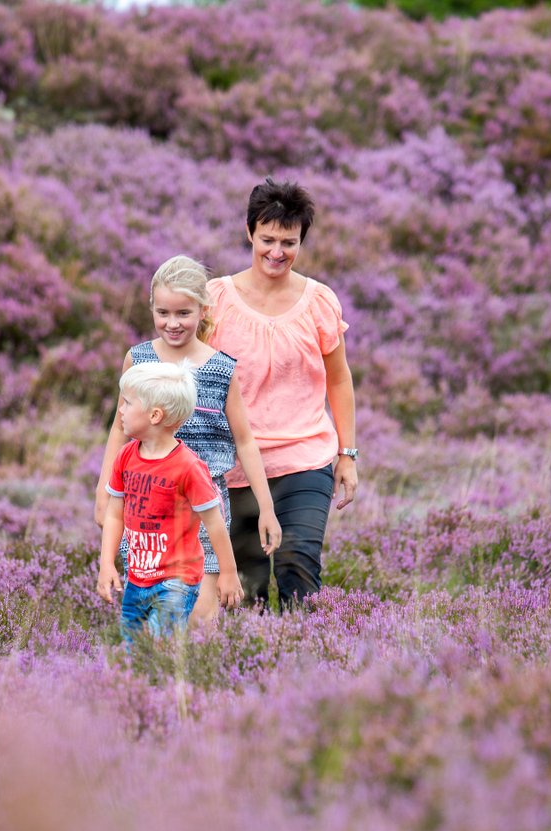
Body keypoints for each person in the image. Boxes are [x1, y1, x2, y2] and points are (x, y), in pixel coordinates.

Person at [95, 255, 281, 626]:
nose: (172, 323)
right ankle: (153, 680)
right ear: (151, 308)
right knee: (150, 614)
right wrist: (104, 491)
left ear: (202, 309)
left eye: (183, 313)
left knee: (198, 616)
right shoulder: (139, 360)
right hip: (146, 506)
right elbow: (119, 427)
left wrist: (266, 507)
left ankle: (195, 680)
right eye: (163, 312)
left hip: (203, 508)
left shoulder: (220, 369)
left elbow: (244, 441)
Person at [206, 178, 358, 609]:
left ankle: (306, 662)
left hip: (304, 459)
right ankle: (247, 666)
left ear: (301, 241)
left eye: (288, 242)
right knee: (244, 584)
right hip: (232, 466)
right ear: (250, 232)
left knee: (298, 565)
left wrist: (347, 454)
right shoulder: (214, 301)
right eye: (267, 239)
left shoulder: (319, 302)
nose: (276, 252)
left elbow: (340, 379)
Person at [97, 361, 244, 641]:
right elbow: (115, 514)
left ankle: (173, 684)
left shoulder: (189, 467)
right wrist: (106, 564)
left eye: (127, 403)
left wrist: (228, 572)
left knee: (161, 644)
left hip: (177, 580)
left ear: (154, 415)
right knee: (135, 651)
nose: (121, 410)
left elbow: (215, 524)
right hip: (137, 578)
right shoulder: (125, 458)